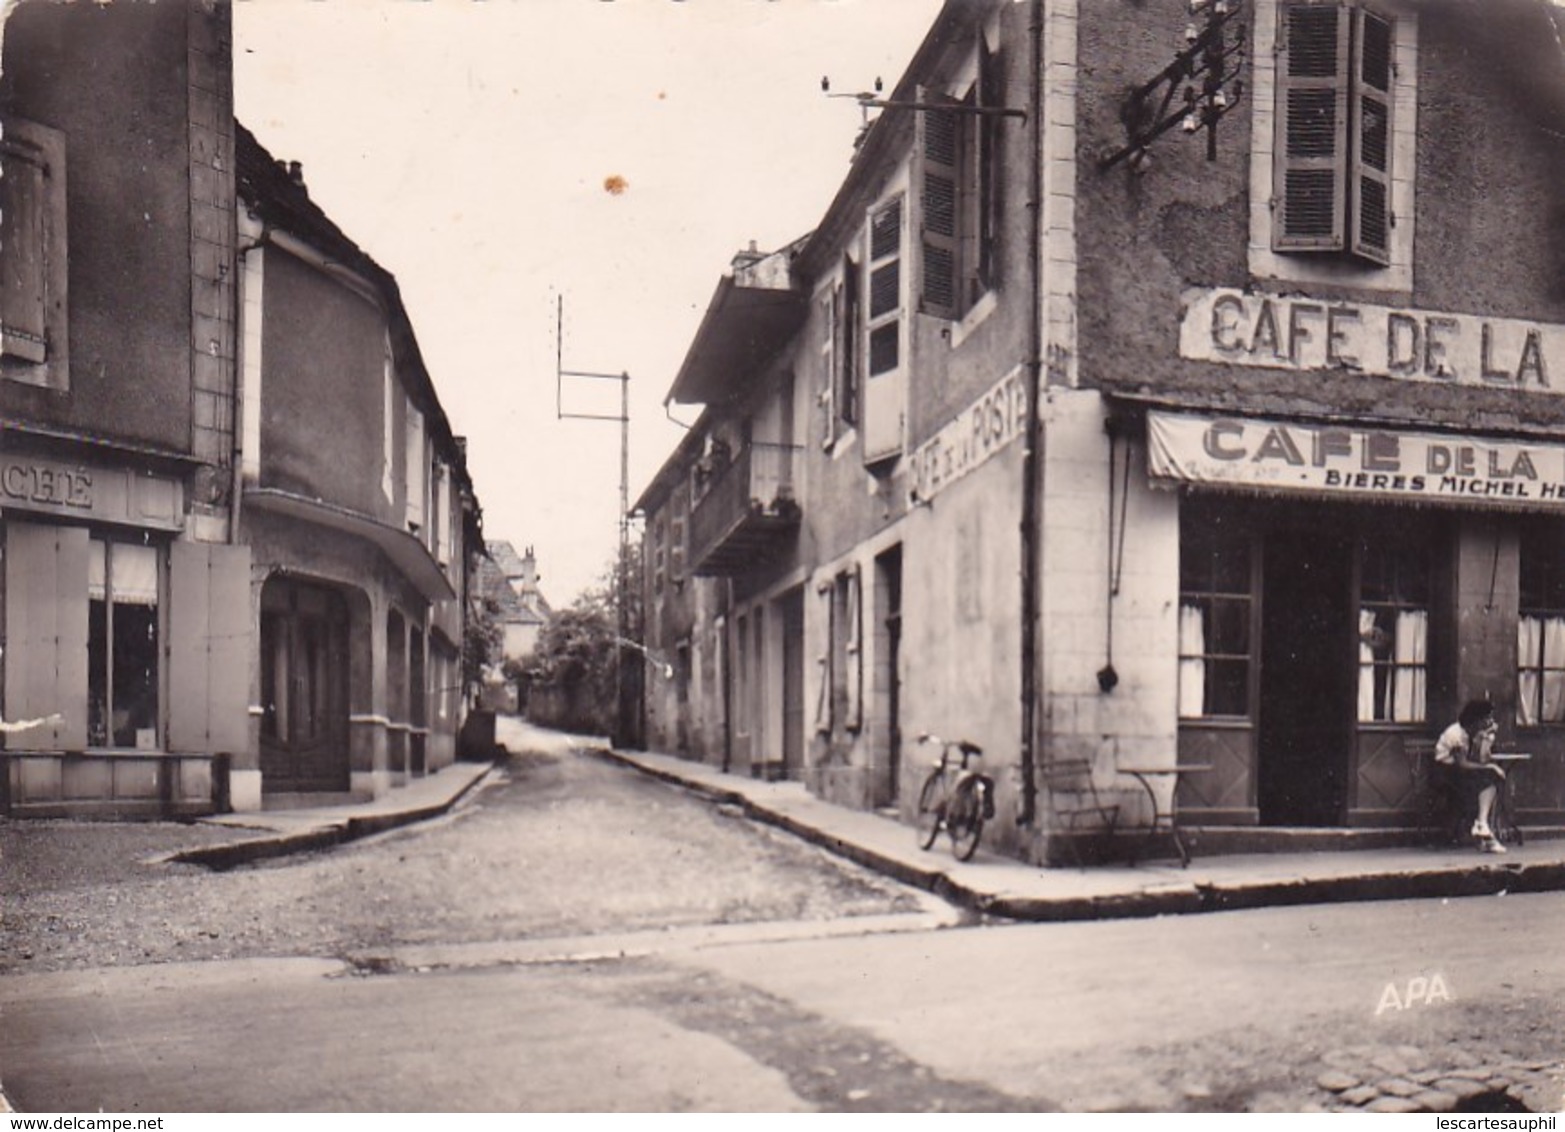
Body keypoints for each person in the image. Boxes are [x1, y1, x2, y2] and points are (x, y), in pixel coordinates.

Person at [1433, 699, 1507, 853]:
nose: (1490, 721)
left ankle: (1482, 825)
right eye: (1487, 717)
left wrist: (1486, 740)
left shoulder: (1475, 733)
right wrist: (1491, 767)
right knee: (1487, 780)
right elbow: (1463, 764)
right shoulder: (1456, 733)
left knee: (1491, 780)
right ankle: (1483, 828)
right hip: (1445, 773)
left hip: (1459, 772)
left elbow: (1482, 759)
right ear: (1477, 718)